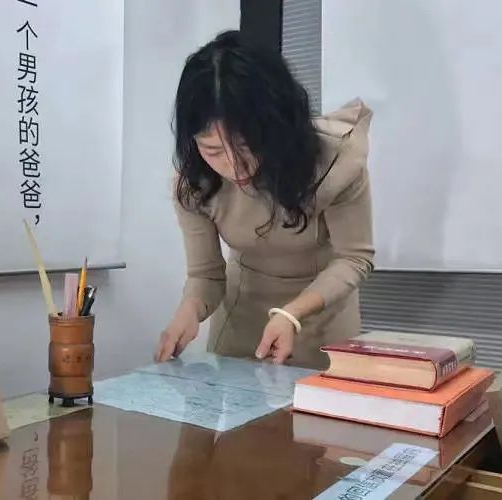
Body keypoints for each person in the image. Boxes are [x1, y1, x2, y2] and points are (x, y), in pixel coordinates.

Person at [156, 31, 374, 369]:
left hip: (323, 318)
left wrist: (292, 314)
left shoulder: (335, 161)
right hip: (242, 317)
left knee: (316, 402)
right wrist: (188, 311)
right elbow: (206, 276)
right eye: (213, 151)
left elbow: (354, 258)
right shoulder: (194, 185)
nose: (234, 166)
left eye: (246, 147)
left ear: (276, 126)